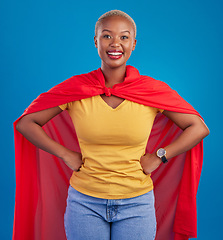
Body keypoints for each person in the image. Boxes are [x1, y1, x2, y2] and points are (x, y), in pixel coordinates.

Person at [14, 10, 209, 240]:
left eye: (124, 37)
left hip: (137, 203)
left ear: (134, 44)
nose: (115, 43)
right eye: (107, 36)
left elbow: (198, 127)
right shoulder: (77, 89)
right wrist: (65, 153)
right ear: (95, 41)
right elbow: (27, 123)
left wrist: (159, 156)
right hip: (84, 203)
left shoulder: (149, 91)